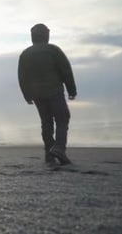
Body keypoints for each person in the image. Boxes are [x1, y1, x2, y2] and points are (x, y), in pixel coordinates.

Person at [18, 23, 77, 165]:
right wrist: (72, 90)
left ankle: (49, 154)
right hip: (54, 91)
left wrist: (27, 95)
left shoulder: (25, 54)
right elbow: (66, 71)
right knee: (62, 118)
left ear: (33, 37)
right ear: (46, 35)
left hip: (37, 94)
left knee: (46, 122)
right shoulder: (53, 50)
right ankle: (59, 148)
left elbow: (22, 77)